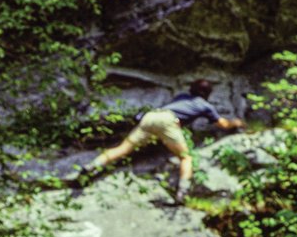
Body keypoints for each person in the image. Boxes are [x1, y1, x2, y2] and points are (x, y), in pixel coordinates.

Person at [80, 79, 245, 202]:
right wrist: (236, 122)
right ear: (207, 94)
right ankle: (182, 191)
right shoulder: (204, 105)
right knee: (185, 157)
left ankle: (92, 165)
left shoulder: (182, 97)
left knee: (123, 148)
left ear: (191, 89)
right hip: (168, 121)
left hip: (151, 116)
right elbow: (223, 124)